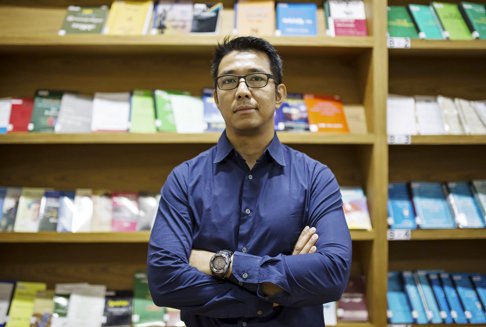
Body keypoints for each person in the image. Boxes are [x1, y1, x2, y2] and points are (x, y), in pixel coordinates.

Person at [147, 36, 352, 327]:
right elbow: (164, 280)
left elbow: (332, 274)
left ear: (279, 94)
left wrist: (222, 264)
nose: (242, 91)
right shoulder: (185, 179)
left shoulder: (315, 177)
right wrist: (273, 291)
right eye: (229, 81)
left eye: (256, 79)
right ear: (216, 97)